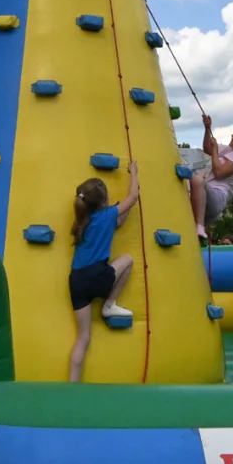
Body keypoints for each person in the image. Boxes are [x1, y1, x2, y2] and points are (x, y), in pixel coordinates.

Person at [68, 161, 140, 382]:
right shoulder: (107, 215)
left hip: (77, 280)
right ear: (104, 201)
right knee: (128, 260)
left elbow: (118, 222)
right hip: (96, 275)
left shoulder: (82, 220)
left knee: (83, 338)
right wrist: (134, 173)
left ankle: (71, 385)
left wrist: (123, 209)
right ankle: (109, 304)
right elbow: (133, 197)